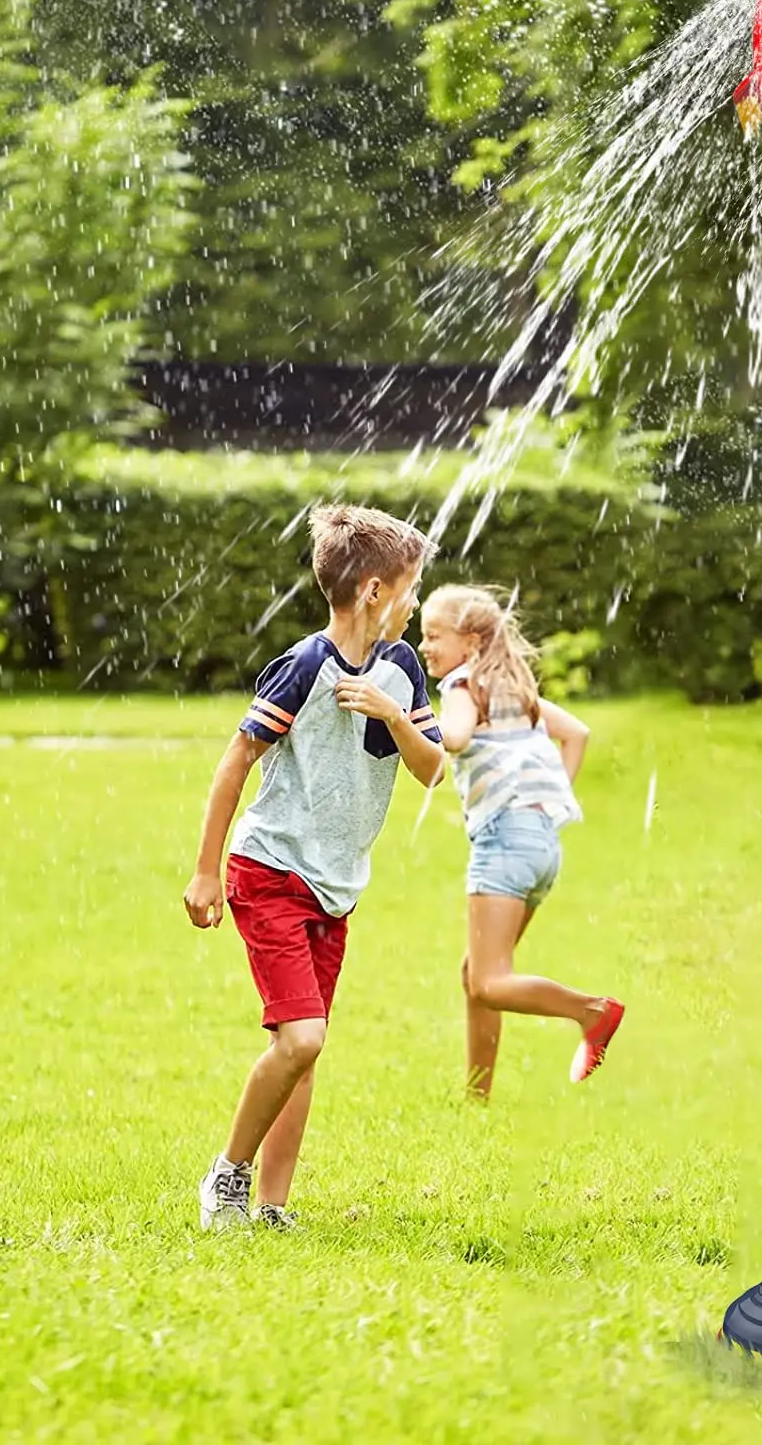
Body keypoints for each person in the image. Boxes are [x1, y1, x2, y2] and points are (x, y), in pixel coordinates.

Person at [183, 504, 444, 1229]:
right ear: (371, 592)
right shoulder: (304, 666)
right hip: (269, 871)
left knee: (300, 1051)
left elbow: (433, 771)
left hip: (335, 888)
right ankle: (226, 1177)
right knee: (303, 1037)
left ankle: (271, 1208)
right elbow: (236, 760)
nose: (415, 601)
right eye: (410, 588)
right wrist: (206, 872)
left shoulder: (401, 668)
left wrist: (393, 713)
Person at [418, 584, 623, 1099]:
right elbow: (577, 733)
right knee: (478, 972)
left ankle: (591, 1012)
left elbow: (457, 737)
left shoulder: (464, 686)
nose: (424, 647)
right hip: (540, 846)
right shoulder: (515, 688)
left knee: (488, 981)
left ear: (469, 642)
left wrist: (407, 720)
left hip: (505, 844)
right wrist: (545, 807)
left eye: (433, 636)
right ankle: (477, 1094)